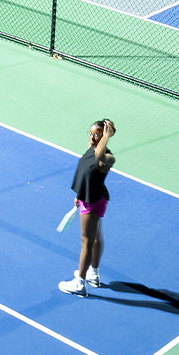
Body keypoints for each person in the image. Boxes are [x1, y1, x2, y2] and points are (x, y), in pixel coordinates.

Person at [60, 118, 116, 295]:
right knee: (96, 237)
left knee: (87, 242)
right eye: (90, 134)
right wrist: (78, 194)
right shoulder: (91, 148)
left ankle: (80, 283)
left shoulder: (108, 158)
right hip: (88, 197)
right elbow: (85, 172)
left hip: (93, 202)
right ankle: (93, 274)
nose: (92, 137)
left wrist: (106, 136)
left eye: (97, 135)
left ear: (105, 136)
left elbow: (99, 158)